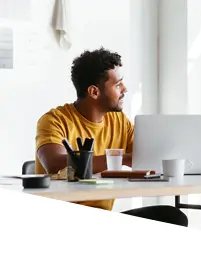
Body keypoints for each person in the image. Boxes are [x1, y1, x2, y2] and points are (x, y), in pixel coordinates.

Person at [35, 47, 188, 227]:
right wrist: (119, 158)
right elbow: (54, 163)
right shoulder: (54, 120)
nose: (125, 89)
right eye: (118, 84)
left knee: (172, 217)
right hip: (60, 224)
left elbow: (147, 155)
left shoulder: (118, 120)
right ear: (94, 92)